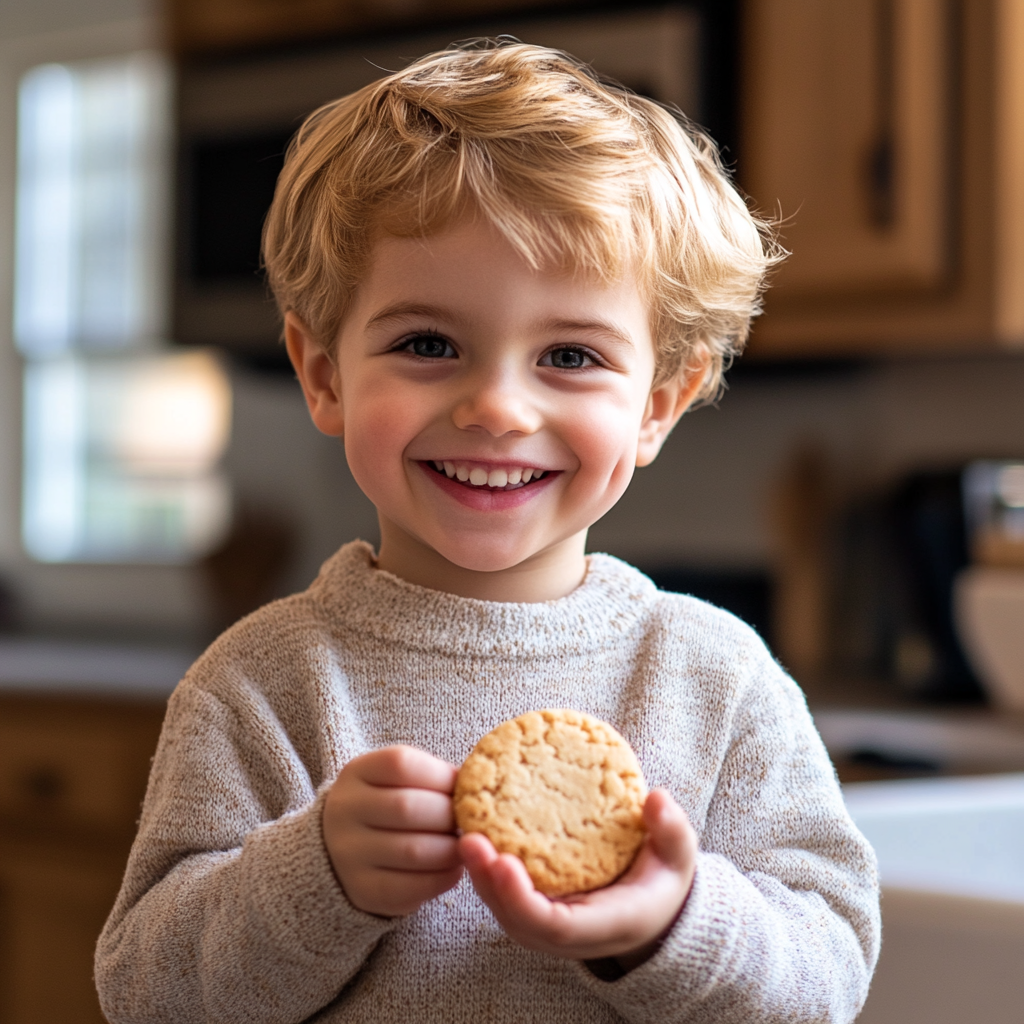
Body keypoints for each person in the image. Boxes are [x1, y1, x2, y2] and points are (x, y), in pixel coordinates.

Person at [95, 40, 880, 1024]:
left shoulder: (716, 680)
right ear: (324, 373)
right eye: (428, 343)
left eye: (569, 354)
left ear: (659, 404)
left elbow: (827, 983)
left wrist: (668, 921)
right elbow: (146, 994)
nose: (499, 407)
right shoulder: (261, 683)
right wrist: (315, 876)